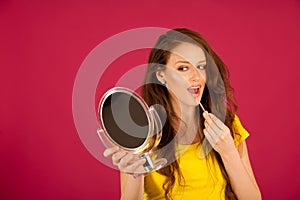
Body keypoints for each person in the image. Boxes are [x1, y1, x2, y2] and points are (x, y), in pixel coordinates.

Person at [103, 28, 261, 200]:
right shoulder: (141, 133)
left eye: (201, 66)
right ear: (161, 75)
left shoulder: (227, 124)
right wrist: (135, 173)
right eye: (183, 68)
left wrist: (229, 152)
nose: (196, 76)